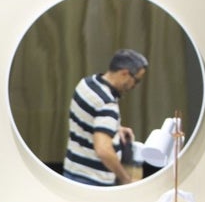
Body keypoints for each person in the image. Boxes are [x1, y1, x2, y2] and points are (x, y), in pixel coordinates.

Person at [62, 48, 148, 186]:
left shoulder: (86, 84)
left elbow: (87, 119)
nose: (134, 86)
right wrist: (125, 178)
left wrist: (115, 128)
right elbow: (103, 150)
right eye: (136, 80)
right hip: (94, 181)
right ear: (125, 73)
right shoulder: (107, 104)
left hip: (72, 171)